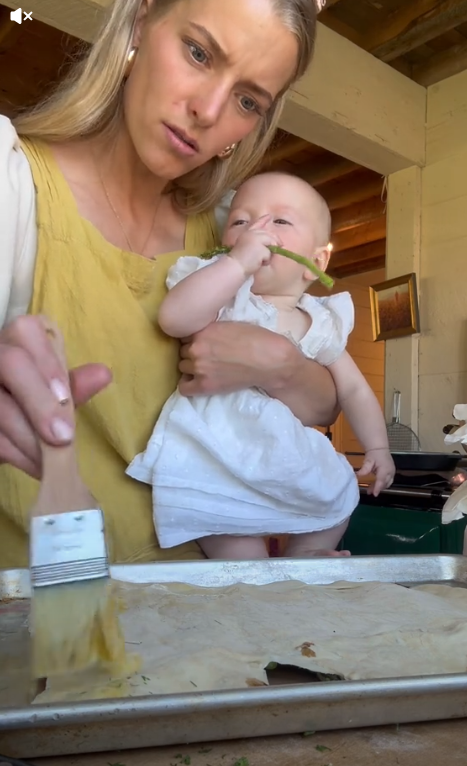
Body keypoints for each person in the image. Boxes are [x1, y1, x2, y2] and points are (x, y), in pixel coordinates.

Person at [0, 0, 344, 568]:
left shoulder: (230, 233)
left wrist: (279, 363)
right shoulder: (14, 185)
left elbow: (322, 404)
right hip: (41, 623)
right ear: (139, 23)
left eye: (247, 100)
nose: (208, 111)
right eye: (199, 52)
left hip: (204, 622)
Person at [127, 172, 395, 559]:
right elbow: (174, 319)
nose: (257, 230)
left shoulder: (319, 322)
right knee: (238, 552)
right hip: (217, 452)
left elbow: (353, 389)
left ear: (316, 261)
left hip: (285, 454)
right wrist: (235, 265)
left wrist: (378, 446)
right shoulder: (223, 293)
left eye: (280, 221)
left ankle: (308, 554)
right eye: (240, 221)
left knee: (338, 492)